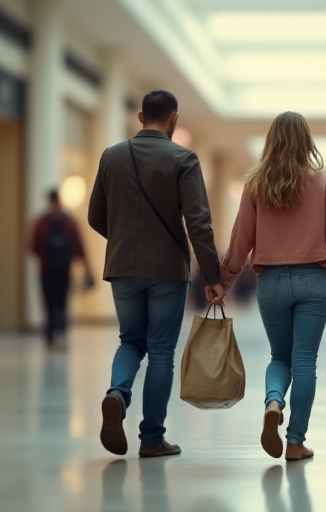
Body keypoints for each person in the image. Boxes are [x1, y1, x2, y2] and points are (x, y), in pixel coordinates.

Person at [220, 111, 326, 461]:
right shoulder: (321, 183)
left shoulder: (255, 185)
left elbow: (240, 241)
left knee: (280, 357)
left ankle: (274, 401)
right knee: (304, 360)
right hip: (314, 283)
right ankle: (295, 442)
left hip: (272, 284)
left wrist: (225, 281)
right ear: (306, 141)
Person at [88, 90, 226, 459]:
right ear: (174, 120)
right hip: (167, 270)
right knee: (161, 352)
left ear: (140, 117)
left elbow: (95, 217)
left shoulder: (112, 156)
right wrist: (212, 275)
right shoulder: (184, 159)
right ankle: (151, 439)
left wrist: (122, 241)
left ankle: (117, 394)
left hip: (121, 268)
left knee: (130, 341)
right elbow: (198, 222)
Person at [30, 190, 92, 350]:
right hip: (64, 271)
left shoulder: (41, 222)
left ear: (49, 201)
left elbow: (33, 248)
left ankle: (50, 337)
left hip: (46, 271)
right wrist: (87, 269)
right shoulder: (70, 222)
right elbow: (80, 247)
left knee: (48, 304)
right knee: (63, 303)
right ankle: (62, 336)